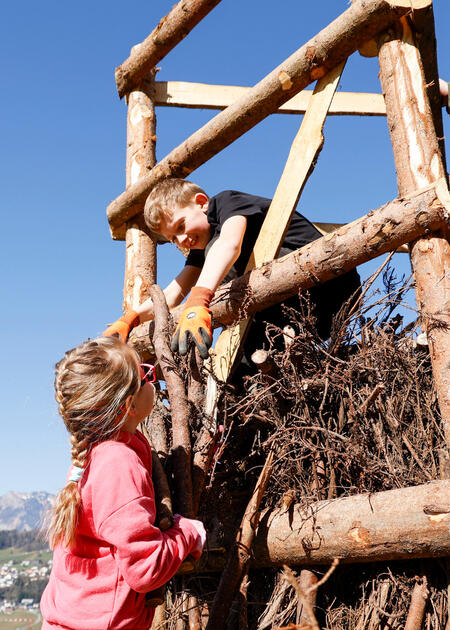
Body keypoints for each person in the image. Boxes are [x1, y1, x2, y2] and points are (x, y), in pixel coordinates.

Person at [104, 179, 361, 373]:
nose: (181, 239)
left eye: (181, 226)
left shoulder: (226, 203)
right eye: (173, 238)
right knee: (241, 365)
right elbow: (174, 291)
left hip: (330, 286)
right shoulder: (203, 248)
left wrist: (199, 301)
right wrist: (131, 318)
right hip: (299, 314)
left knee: (221, 264)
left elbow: (230, 244)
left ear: (202, 203)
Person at [41, 336, 205, 630]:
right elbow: (146, 568)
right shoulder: (118, 464)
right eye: (144, 375)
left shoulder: (95, 454)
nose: (151, 378)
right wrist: (188, 533)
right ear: (127, 405)